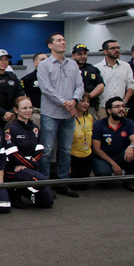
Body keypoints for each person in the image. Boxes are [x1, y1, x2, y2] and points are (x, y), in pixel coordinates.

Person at [37, 33, 84, 198]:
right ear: (50, 45)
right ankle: (44, 184)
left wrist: (75, 100)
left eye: (64, 40)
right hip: (51, 113)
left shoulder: (73, 64)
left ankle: (63, 182)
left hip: (68, 114)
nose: (63, 42)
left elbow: (80, 85)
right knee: (47, 150)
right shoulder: (45, 65)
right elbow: (46, 89)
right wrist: (66, 103)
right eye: (59, 40)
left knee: (65, 150)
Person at [3, 97, 54, 208]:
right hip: (14, 168)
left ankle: (24, 190)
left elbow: (40, 150)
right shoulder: (10, 129)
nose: (28, 111)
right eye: (24, 108)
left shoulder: (35, 128)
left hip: (28, 167)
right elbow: (12, 154)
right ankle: (14, 192)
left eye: (30, 107)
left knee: (47, 202)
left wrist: (28, 165)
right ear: (16, 110)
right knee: (41, 180)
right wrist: (30, 164)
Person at [91, 97, 134, 192]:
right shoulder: (99, 125)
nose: (121, 109)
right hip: (104, 157)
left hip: (121, 156)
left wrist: (131, 146)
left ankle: (130, 181)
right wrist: (113, 164)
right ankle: (107, 175)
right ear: (109, 110)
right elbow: (96, 149)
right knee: (103, 175)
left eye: (123, 106)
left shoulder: (128, 122)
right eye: (117, 107)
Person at [95, 39, 134, 120]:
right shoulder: (97, 68)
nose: (116, 50)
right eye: (113, 48)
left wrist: (124, 102)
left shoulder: (126, 66)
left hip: (121, 107)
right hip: (103, 107)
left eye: (118, 48)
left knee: (121, 130)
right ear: (105, 51)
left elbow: (131, 85)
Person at [71, 44, 104, 119]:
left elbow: (100, 86)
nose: (83, 56)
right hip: (73, 106)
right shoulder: (68, 69)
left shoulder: (92, 69)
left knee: (89, 127)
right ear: (73, 55)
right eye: (79, 54)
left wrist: (87, 98)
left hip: (90, 106)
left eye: (84, 54)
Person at [70, 93, 94, 190]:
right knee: (73, 186)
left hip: (86, 154)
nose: (86, 104)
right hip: (73, 154)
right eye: (82, 101)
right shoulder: (69, 118)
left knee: (84, 186)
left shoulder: (89, 117)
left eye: (88, 101)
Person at [20, 53, 47, 127]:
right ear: (35, 63)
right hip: (35, 113)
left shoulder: (54, 78)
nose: (46, 61)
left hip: (51, 112)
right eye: (42, 59)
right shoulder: (26, 79)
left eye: (47, 59)